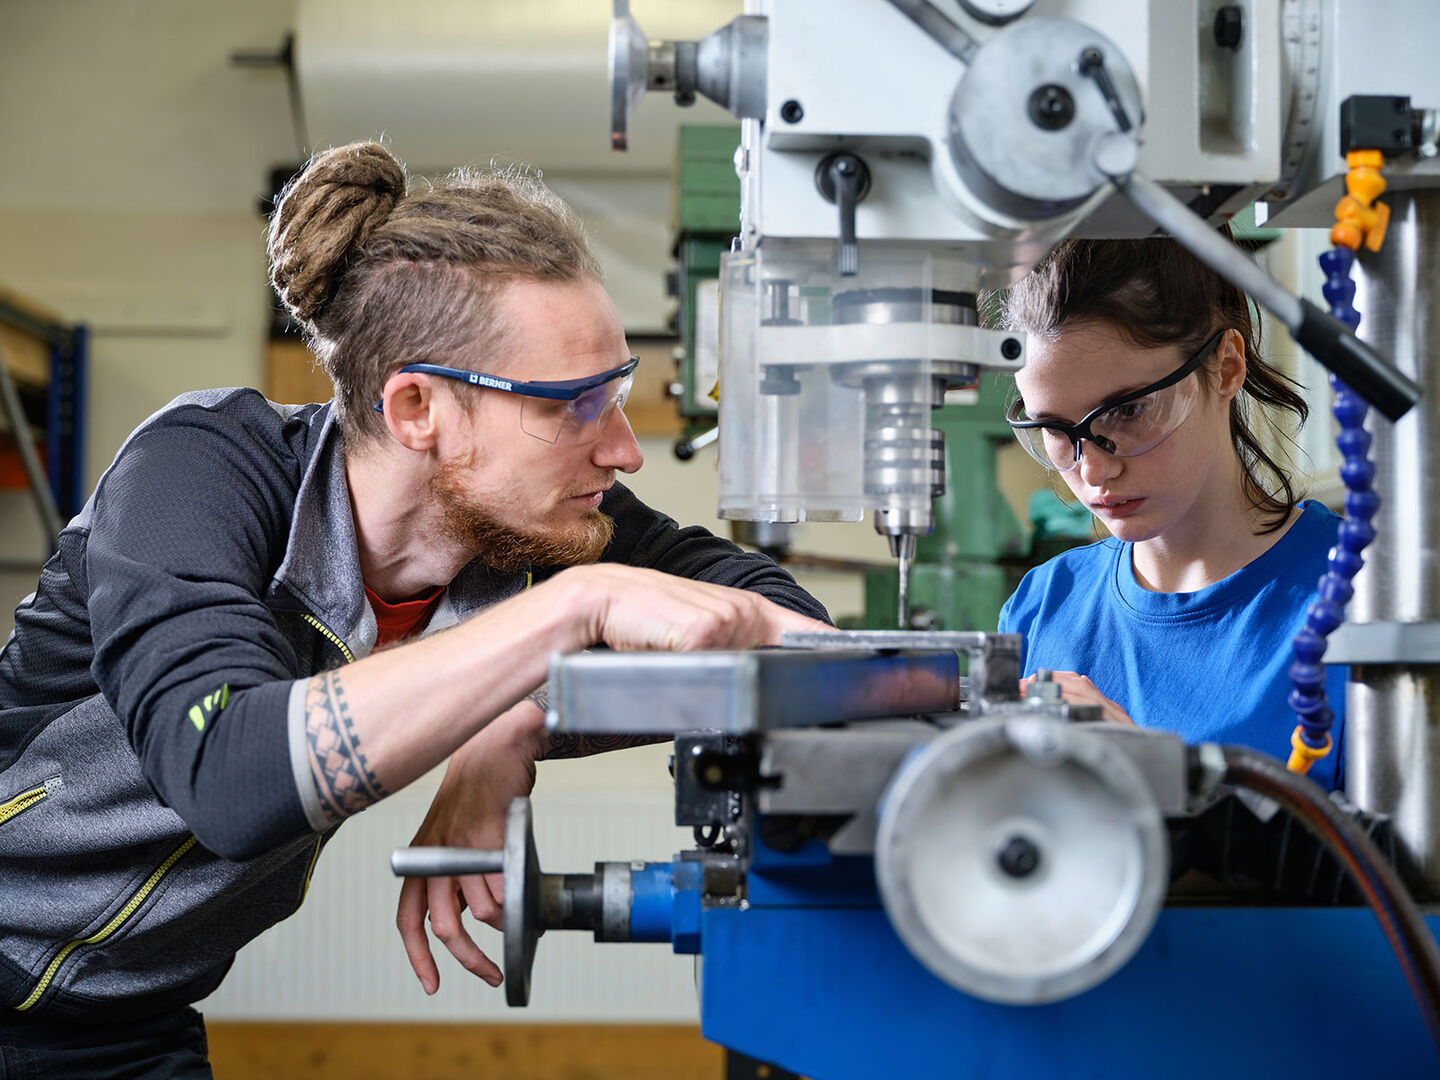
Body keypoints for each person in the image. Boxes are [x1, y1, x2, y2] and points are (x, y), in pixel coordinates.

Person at [0, 141, 830, 1076]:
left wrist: (518, 719)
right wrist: (576, 613)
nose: (626, 450)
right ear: (417, 409)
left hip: (127, 1024)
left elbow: (785, 625)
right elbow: (229, 774)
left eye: (621, 392)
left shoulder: (533, 526)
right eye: (574, 406)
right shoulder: (200, 471)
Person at [993, 235, 1347, 791]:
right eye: (1056, 431)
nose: (1091, 472)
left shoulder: (1360, 595)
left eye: (1129, 410)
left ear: (1227, 367)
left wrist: (1153, 777)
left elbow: (1398, 873)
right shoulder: (1042, 607)